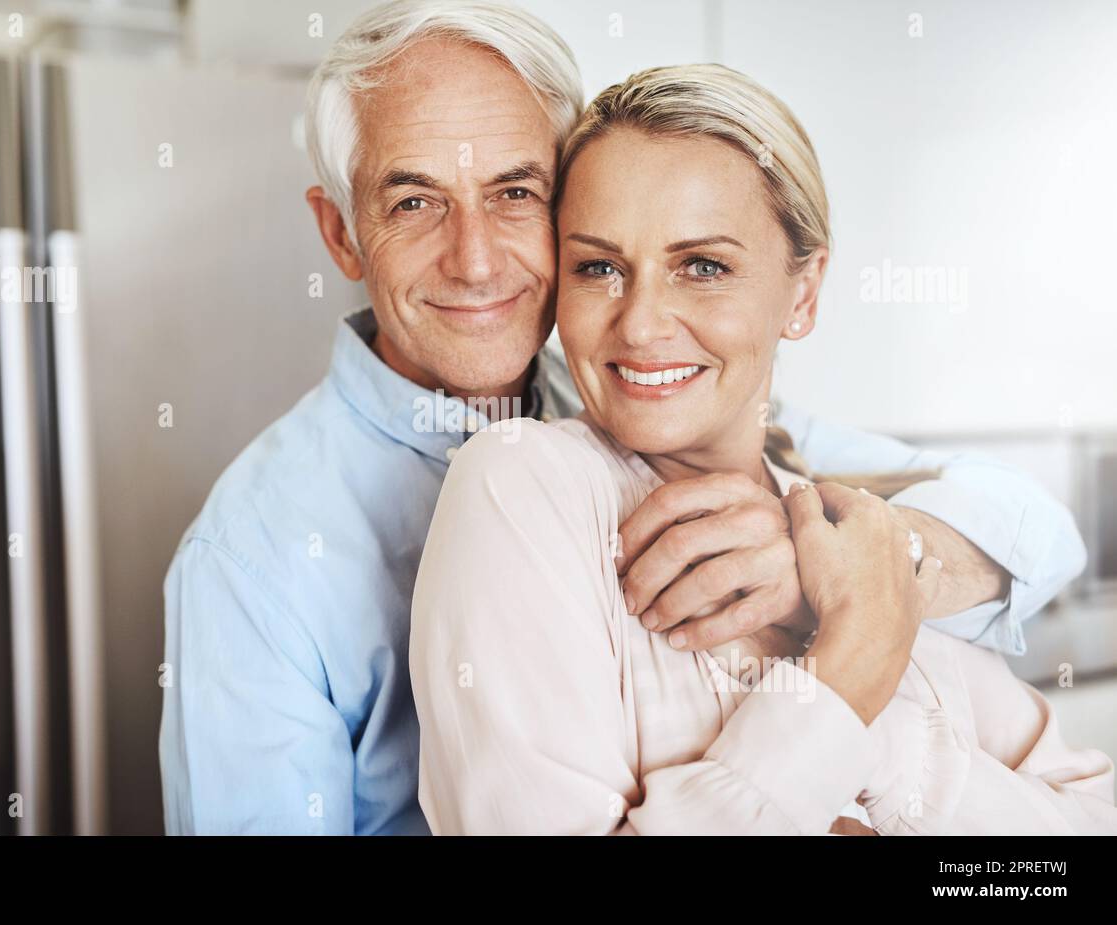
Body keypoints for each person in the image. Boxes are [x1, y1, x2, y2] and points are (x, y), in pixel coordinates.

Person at [159, 0, 1085, 835]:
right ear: (340, 234)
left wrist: (869, 566)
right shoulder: (254, 558)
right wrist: (841, 690)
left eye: (517, 193)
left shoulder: (669, 415)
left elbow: (1033, 526)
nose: (476, 261)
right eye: (413, 202)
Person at [408, 63, 1115, 835]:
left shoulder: (856, 543)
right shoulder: (520, 484)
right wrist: (842, 680)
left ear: (804, 292)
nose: (641, 324)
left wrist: (886, 733)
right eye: (599, 267)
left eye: (702, 266)